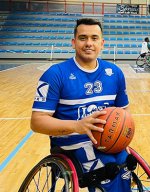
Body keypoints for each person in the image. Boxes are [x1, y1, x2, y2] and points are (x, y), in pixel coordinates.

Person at [31, 18, 131, 191]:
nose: (89, 43)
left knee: (126, 165)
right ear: (73, 42)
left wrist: (123, 135)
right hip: (73, 142)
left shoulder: (115, 73)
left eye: (94, 38)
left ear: (102, 43)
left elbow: (124, 112)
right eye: (83, 38)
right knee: (107, 171)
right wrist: (77, 126)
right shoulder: (54, 74)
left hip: (107, 141)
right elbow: (37, 121)